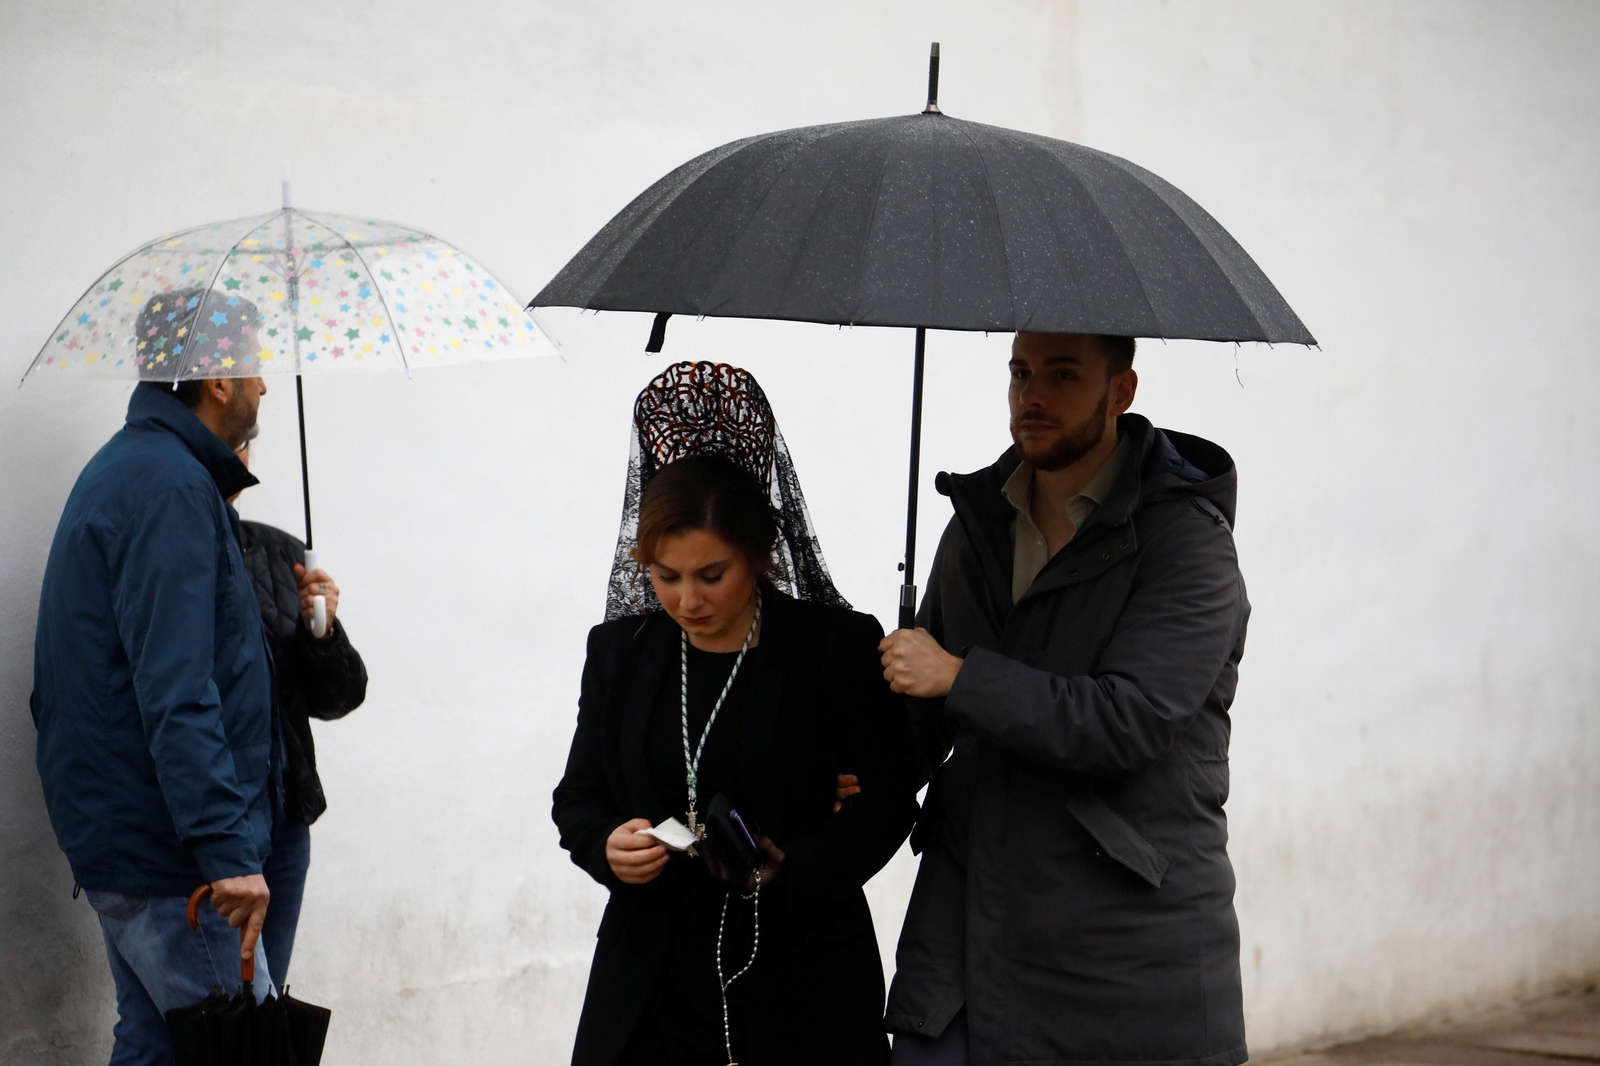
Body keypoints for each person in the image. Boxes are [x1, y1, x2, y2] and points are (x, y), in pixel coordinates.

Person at [879, 332, 1252, 1066]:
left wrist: (960, 676)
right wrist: (850, 769)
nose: (1032, 395)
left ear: (1122, 391)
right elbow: (919, 723)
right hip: (963, 941)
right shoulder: (978, 526)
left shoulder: (1188, 543)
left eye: (1061, 374)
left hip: (1123, 954)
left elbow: (1129, 721)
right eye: (1020, 372)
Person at [553, 361, 918, 1066]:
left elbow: (889, 802)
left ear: (757, 556)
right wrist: (607, 846)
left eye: (710, 575)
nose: (687, 600)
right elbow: (579, 796)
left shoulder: (833, 648)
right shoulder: (619, 654)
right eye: (666, 577)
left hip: (800, 971)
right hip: (651, 977)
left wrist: (801, 868)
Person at [32, 289, 281, 1064]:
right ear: (218, 381)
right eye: (257, 367)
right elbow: (177, 690)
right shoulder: (166, 487)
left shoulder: (137, 469)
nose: (265, 386)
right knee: (240, 1050)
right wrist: (226, 852)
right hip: (175, 858)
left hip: (131, 838)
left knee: (152, 1045)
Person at [231, 427, 369, 985]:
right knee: (208, 1017)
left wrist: (322, 631)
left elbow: (339, 697)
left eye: (246, 442)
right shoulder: (176, 551)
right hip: (222, 823)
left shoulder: (279, 552)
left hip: (286, 821)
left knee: (263, 1010)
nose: (239, 454)